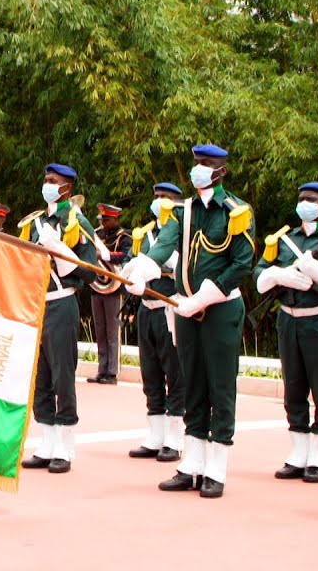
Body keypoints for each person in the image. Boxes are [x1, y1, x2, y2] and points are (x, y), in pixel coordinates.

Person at [123, 144, 254, 498]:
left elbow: (241, 263)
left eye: (207, 164)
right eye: (197, 163)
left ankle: (217, 468)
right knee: (192, 383)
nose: (199, 169)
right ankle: (192, 463)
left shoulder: (236, 212)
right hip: (186, 309)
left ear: (221, 171)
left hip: (220, 309)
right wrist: (145, 268)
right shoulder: (184, 210)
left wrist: (204, 296)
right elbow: (165, 243)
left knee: (220, 387)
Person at [254, 182, 318, 483]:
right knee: (293, 387)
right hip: (288, 319)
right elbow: (259, 273)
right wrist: (278, 275)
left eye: (312, 200)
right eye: (302, 199)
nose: (305, 204)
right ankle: (298, 451)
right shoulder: (283, 239)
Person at [18, 163, 98, 474]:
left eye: (52, 181)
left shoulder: (77, 222)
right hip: (37, 304)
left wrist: (62, 252)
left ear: (66, 187)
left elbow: (91, 271)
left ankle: (65, 446)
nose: (47, 185)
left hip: (63, 304)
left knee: (63, 374)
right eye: (45, 180)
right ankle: (46, 442)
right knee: (40, 376)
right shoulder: (34, 222)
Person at [125, 182, 186, 463]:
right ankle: (155, 434)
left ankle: (174, 437)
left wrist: (166, 266)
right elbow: (128, 265)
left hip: (170, 308)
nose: (159, 202)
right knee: (150, 373)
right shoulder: (144, 234)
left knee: (174, 373)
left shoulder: (184, 236)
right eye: (157, 197)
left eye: (166, 198)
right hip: (147, 310)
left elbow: (189, 271)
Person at [87, 203, 128, 384]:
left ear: (115, 219)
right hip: (97, 286)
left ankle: (112, 373)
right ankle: (101, 369)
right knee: (100, 330)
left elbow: (127, 256)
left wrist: (108, 256)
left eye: (106, 219)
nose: (103, 222)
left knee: (112, 332)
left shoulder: (124, 236)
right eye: (101, 219)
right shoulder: (97, 235)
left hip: (115, 288)